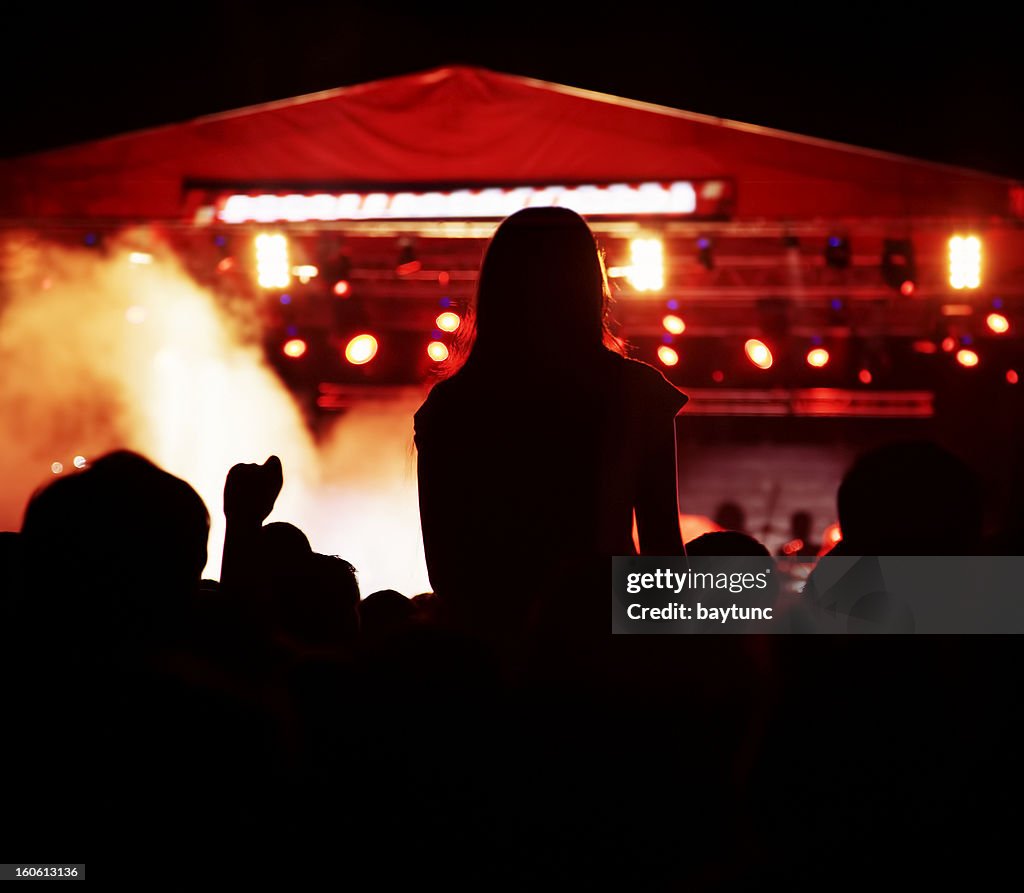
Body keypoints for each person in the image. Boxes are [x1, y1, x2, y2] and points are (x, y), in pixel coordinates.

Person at [413, 207, 688, 650]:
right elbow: (664, 555)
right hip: (605, 644)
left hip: (489, 651)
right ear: (588, 284)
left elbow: (445, 569)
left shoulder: (451, 406)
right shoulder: (635, 392)